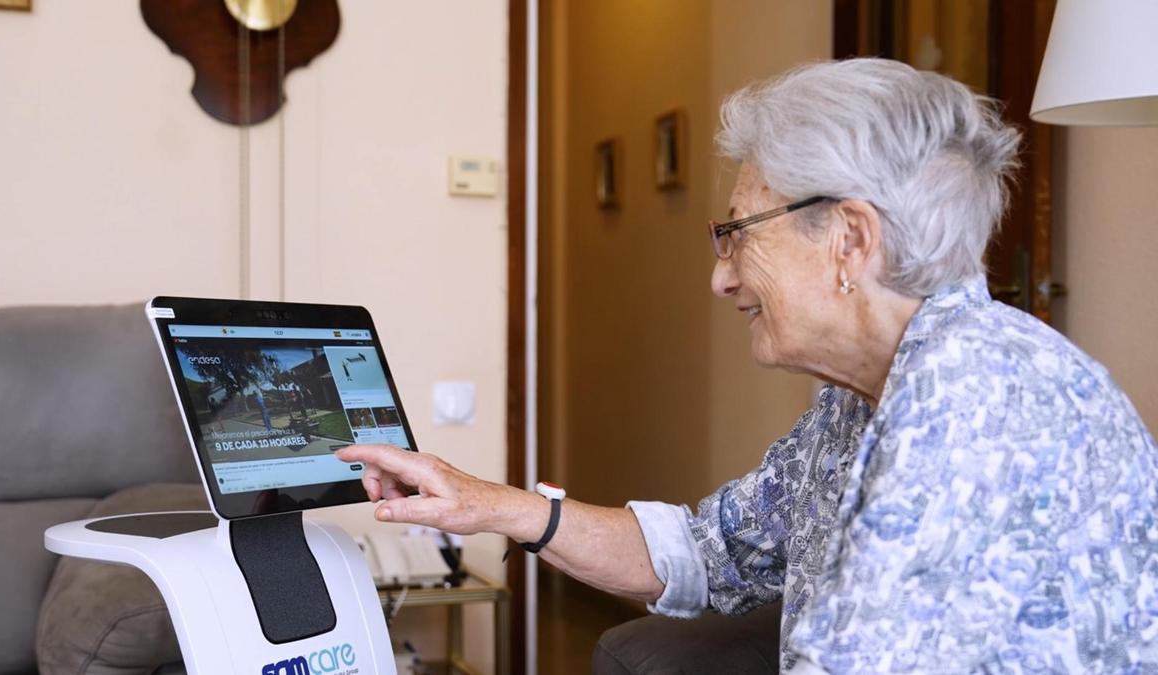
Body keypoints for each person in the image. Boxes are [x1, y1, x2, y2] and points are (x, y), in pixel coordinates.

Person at [338, 58, 1158, 673]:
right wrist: (488, 505)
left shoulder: (976, 398)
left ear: (850, 239)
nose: (721, 275)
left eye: (739, 233)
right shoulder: (865, 396)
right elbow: (708, 551)